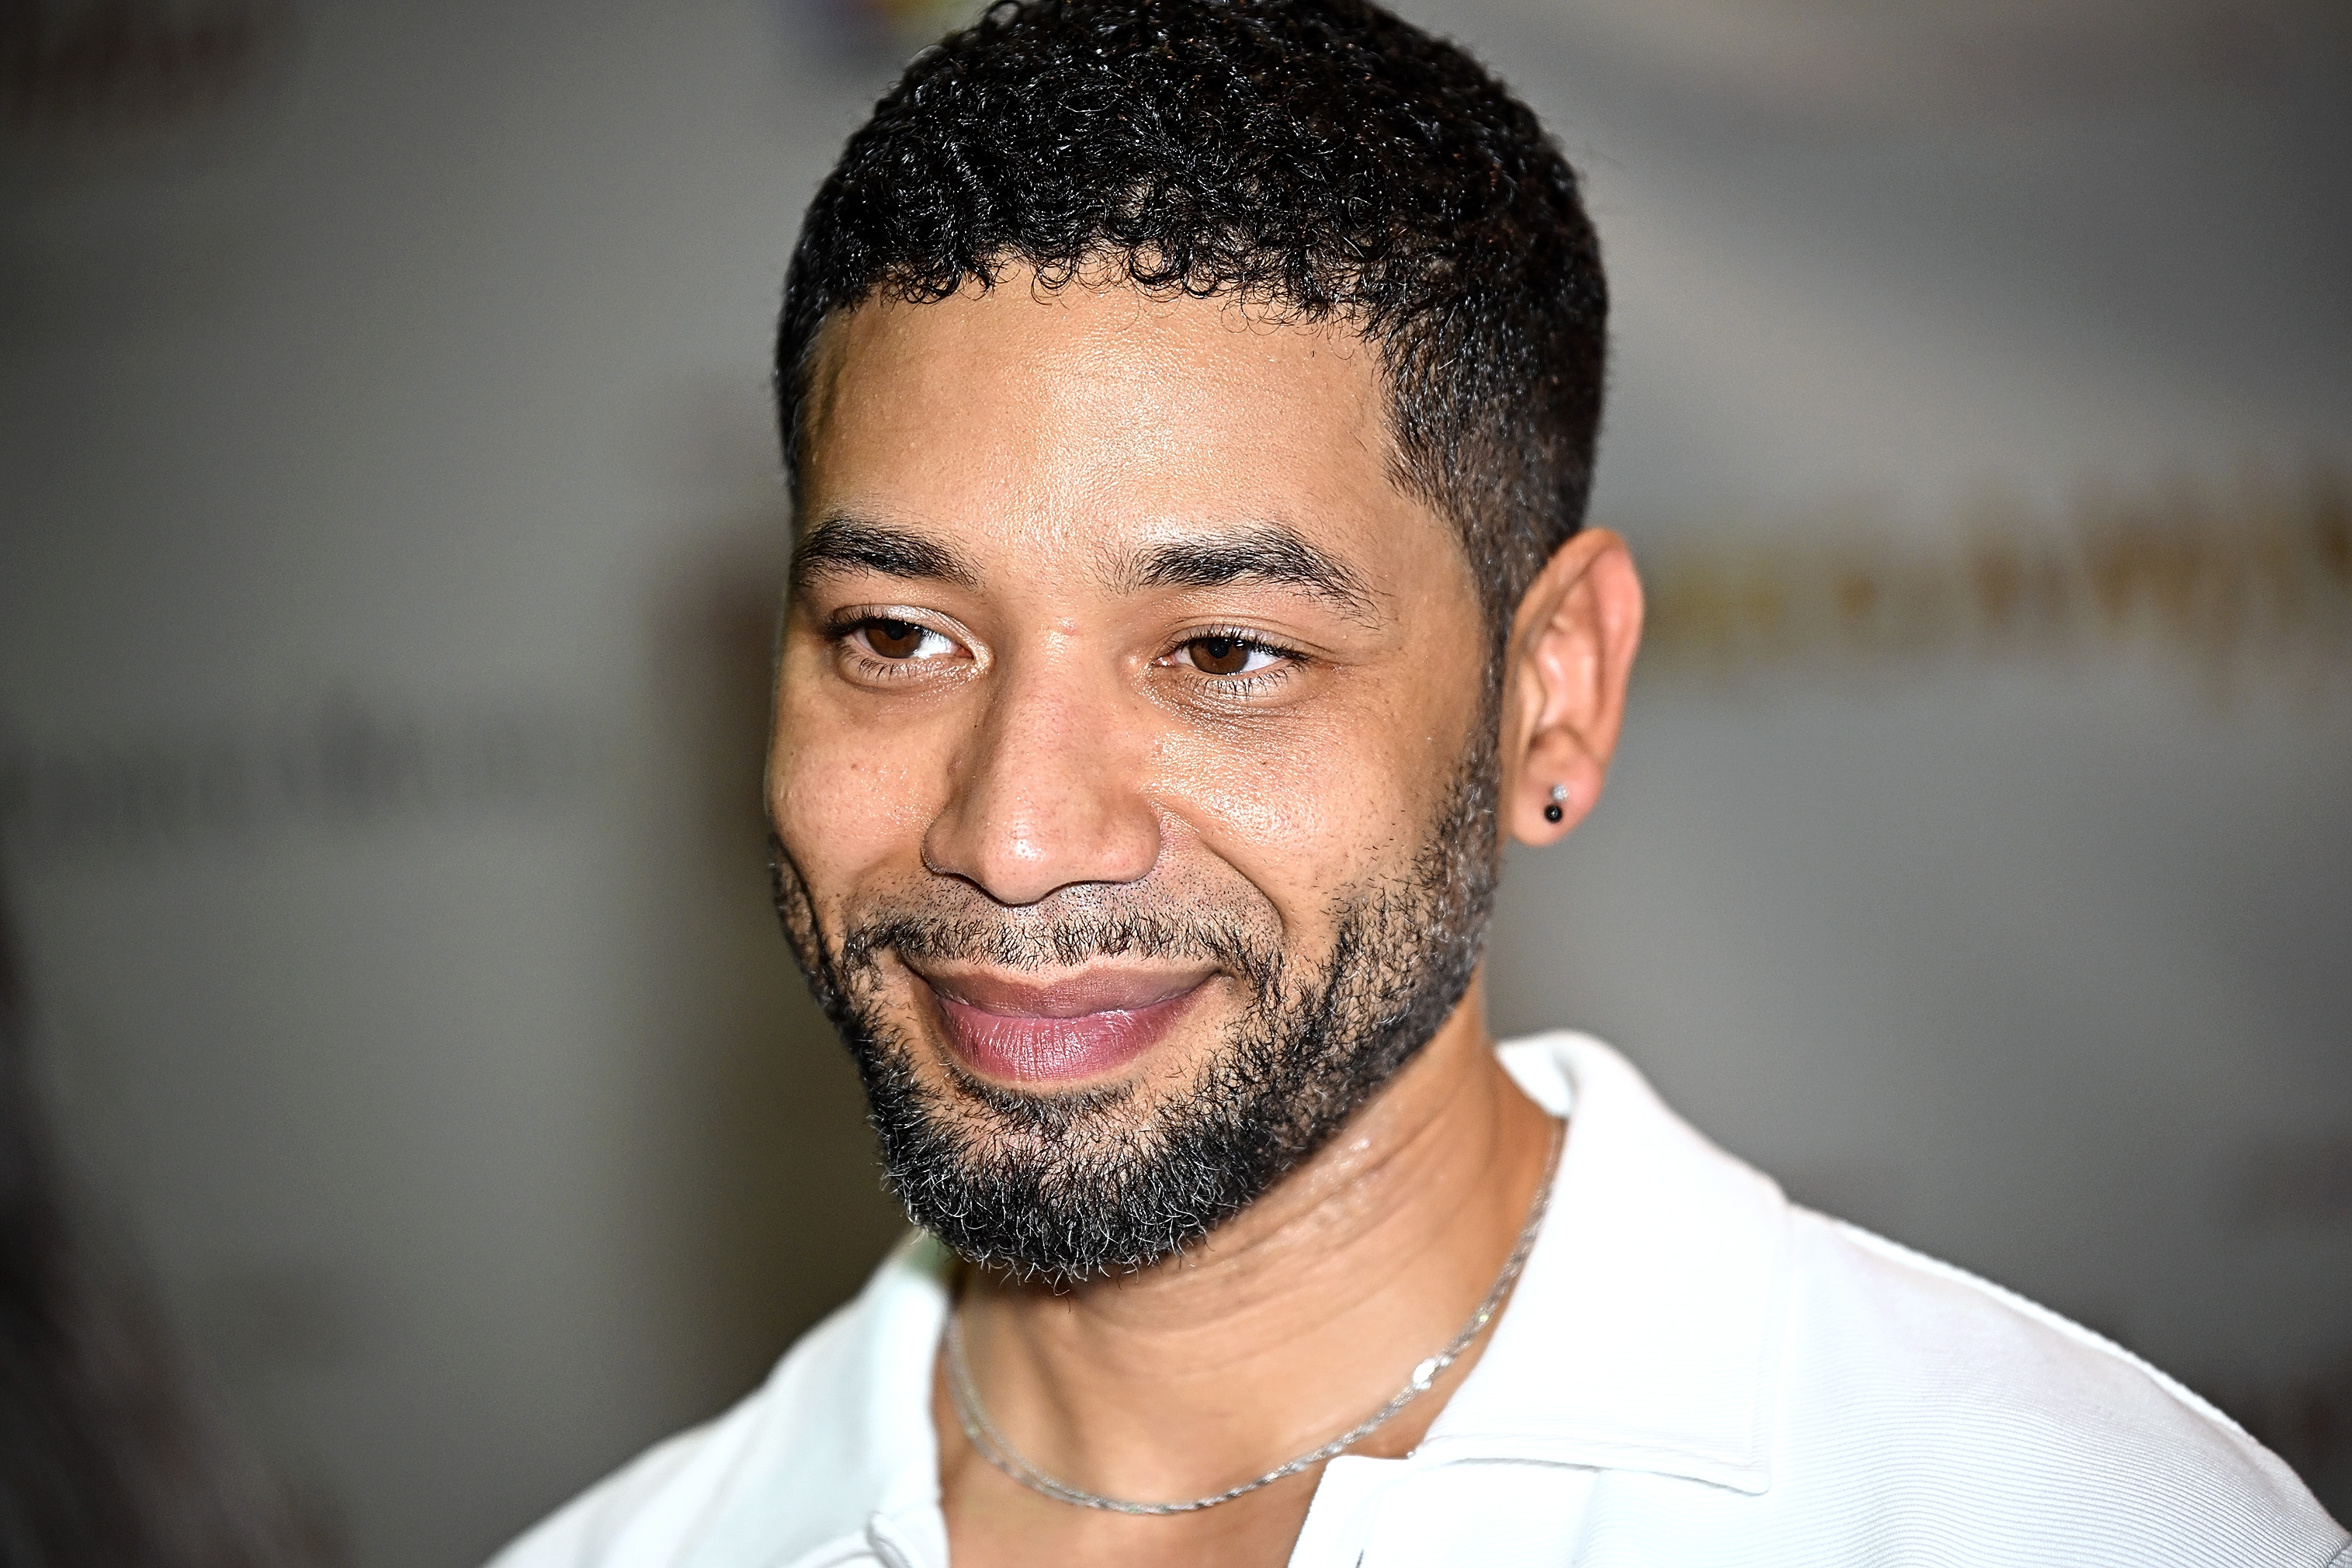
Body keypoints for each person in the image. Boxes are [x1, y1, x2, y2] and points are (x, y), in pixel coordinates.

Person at [490, 1, 2349, 1563]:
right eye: (898, 633)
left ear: (1554, 693)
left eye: (1223, 652)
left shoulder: (2053, 1519)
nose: (1013, 833)